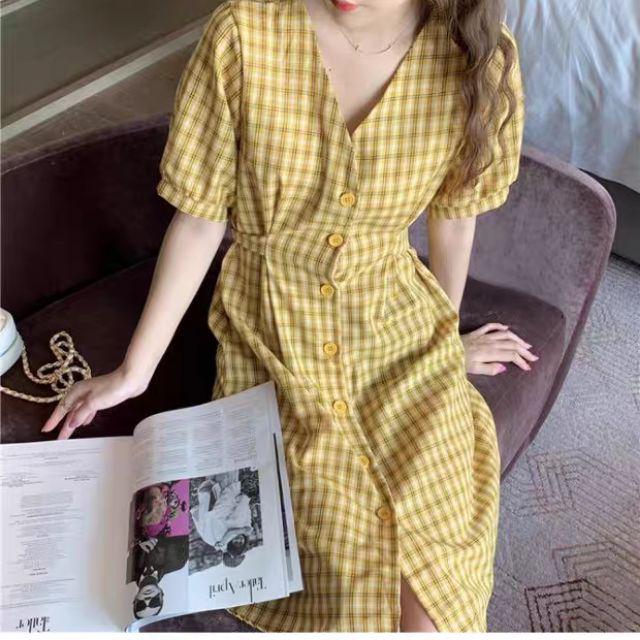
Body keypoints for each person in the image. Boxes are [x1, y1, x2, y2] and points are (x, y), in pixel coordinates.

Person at [42, 0, 535, 632]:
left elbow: (455, 217)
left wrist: (444, 339)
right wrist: (133, 373)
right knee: (346, 559)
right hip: (274, 335)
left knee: (434, 597)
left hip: (398, 325)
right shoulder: (245, 34)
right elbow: (199, 220)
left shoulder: (480, 56)